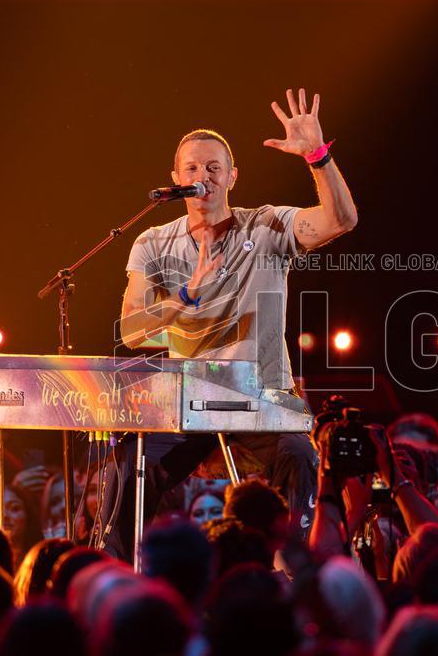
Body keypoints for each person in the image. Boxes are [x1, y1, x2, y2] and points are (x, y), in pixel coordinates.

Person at [112, 88, 358, 559]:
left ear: (231, 178)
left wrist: (318, 157)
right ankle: (124, 576)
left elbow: (342, 220)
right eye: (191, 168)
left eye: (212, 168)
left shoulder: (266, 226)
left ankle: (297, 571)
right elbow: (131, 329)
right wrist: (186, 296)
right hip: (191, 405)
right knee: (130, 461)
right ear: (175, 178)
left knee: (301, 455)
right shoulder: (152, 242)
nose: (201, 176)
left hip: (261, 399)